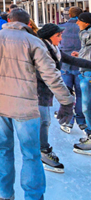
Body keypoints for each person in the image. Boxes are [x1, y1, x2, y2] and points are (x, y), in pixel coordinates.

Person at [0, 9, 74, 200]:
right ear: (27, 23)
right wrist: (66, 101)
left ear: (8, 21)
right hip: (24, 105)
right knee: (31, 153)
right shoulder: (33, 41)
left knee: (2, 149)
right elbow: (51, 75)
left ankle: (4, 195)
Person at [36, 23, 91, 172]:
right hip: (37, 91)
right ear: (49, 37)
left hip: (45, 91)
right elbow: (48, 76)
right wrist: (65, 98)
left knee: (44, 121)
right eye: (58, 36)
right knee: (44, 121)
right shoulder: (42, 50)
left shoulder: (53, 49)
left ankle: (41, 150)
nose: (61, 38)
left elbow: (72, 60)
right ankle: (43, 152)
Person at [58, 6, 86, 133]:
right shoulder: (84, 29)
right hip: (81, 64)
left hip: (65, 64)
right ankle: (81, 120)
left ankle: (68, 121)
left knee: (67, 94)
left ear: (69, 15)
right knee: (80, 94)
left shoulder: (61, 28)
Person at [73, 11, 91, 154]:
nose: (77, 22)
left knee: (87, 106)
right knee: (86, 106)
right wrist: (80, 55)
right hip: (84, 71)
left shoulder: (87, 33)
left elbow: (86, 40)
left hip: (88, 73)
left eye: (79, 20)